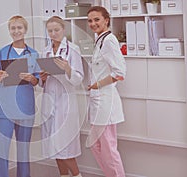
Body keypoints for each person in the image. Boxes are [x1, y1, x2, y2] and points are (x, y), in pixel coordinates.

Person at [0, 15, 39, 177]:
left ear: (25, 30)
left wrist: (31, 78)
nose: (16, 31)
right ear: (9, 31)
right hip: (4, 108)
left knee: (23, 150)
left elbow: (36, 81)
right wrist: (0, 76)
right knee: (1, 150)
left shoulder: (34, 54)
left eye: (19, 28)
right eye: (13, 28)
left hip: (25, 107)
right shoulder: (2, 53)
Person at [39, 16, 84, 177]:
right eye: (50, 31)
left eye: (56, 30)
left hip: (65, 103)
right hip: (49, 102)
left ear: (63, 30)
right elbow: (42, 82)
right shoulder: (45, 51)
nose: (53, 33)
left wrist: (68, 68)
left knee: (65, 147)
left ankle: (77, 175)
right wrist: (42, 79)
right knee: (54, 147)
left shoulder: (73, 50)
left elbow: (79, 79)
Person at [86, 6, 126, 177]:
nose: (93, 23)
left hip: (105, 102)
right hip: (97, 102)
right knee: (95, 145)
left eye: (97, 19)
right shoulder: (100, 40)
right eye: (90, 20)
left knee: (108, 149)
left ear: (106, 20)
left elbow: (120, 73)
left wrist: (97, 85)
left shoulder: (109, 40)